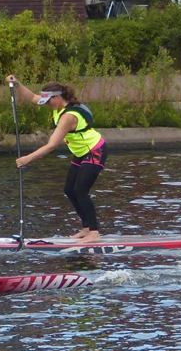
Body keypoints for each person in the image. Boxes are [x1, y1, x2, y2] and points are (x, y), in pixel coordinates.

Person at [7, 76, 107, 243]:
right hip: (82, 153)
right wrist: (17, 84)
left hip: (95, 151)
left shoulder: (68, 117)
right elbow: (32, 98)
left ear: (57, 97)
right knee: (69, 190)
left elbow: (52, 145)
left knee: (81, 191)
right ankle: (86, 228)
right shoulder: (57, 105)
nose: (46, 105)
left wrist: (27, 159)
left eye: (48, 101)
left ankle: (94, 233)